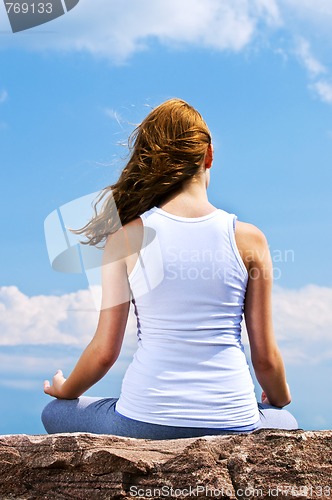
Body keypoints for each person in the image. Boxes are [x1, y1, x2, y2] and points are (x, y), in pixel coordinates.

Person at [42, 98, 298, 439]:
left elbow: (104, 353)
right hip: (232, 421)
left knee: (54, 412)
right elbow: (264, 359)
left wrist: (66, 389)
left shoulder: (126, 239)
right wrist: (279, 399)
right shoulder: (250, 240)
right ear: (208, 156)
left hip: (144, 421)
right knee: (286, 422)